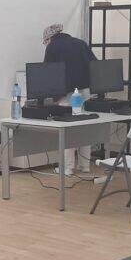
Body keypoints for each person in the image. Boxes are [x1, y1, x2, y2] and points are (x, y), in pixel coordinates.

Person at [42, 23, 96, 175]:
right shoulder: (81, 43)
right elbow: (94, 64)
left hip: (67, 95)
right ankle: (84, 166)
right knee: (84, 128)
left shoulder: (52, 47)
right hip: (85, 92)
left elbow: (49, 72)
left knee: (67, 129)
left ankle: (67, 167)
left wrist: (53, 97)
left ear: (49, 38)